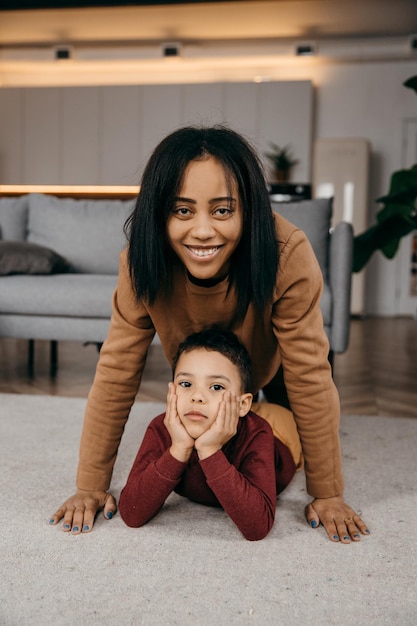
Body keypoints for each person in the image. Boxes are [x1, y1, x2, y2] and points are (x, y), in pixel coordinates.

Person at [50, 125, 370, 543]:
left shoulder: (287, 252)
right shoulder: (141, 262)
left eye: (222, 211)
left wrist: (328, 494)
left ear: (248, 210)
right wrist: (90, 485)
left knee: (284, 438)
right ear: (159, 212)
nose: (203, 231)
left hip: (271, 367)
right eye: (182, 211)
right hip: (207, 378)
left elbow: (309, 374)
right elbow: (116, 372)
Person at [118, 328, 298, 541]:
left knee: (288, 418)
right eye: (186, 384)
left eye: (216, 386)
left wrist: (210, 450)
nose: (197, 396)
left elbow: (258, 527)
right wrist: (178, 449)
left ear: (243, 404)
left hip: (281, 434)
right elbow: (131, 513)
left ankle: (260, 407)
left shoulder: (258, 433)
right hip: (232, 417)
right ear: (171, 392)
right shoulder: (161, 428)